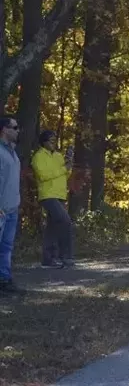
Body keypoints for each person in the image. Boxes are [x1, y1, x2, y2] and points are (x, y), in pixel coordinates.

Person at [31, 130, 75, 268]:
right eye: (51, 140)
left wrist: (68, 166)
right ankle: (66, 256)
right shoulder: (38, 157)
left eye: (55, 140)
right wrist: (63, 170)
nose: (54, 143)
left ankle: (48, 259)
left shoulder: (58, 156)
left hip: (60, 195)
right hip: (47, 195)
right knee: (65, 221)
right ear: (43, 142)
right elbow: (43, 175)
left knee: (52, 227)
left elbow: (64, 176)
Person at [0, 116, 21, 293]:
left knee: (6, 246)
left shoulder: (12, 151)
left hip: (12, 207)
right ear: (5, 129)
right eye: (14, 127)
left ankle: (5, 280)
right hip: (1, 209)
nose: (17, 130)